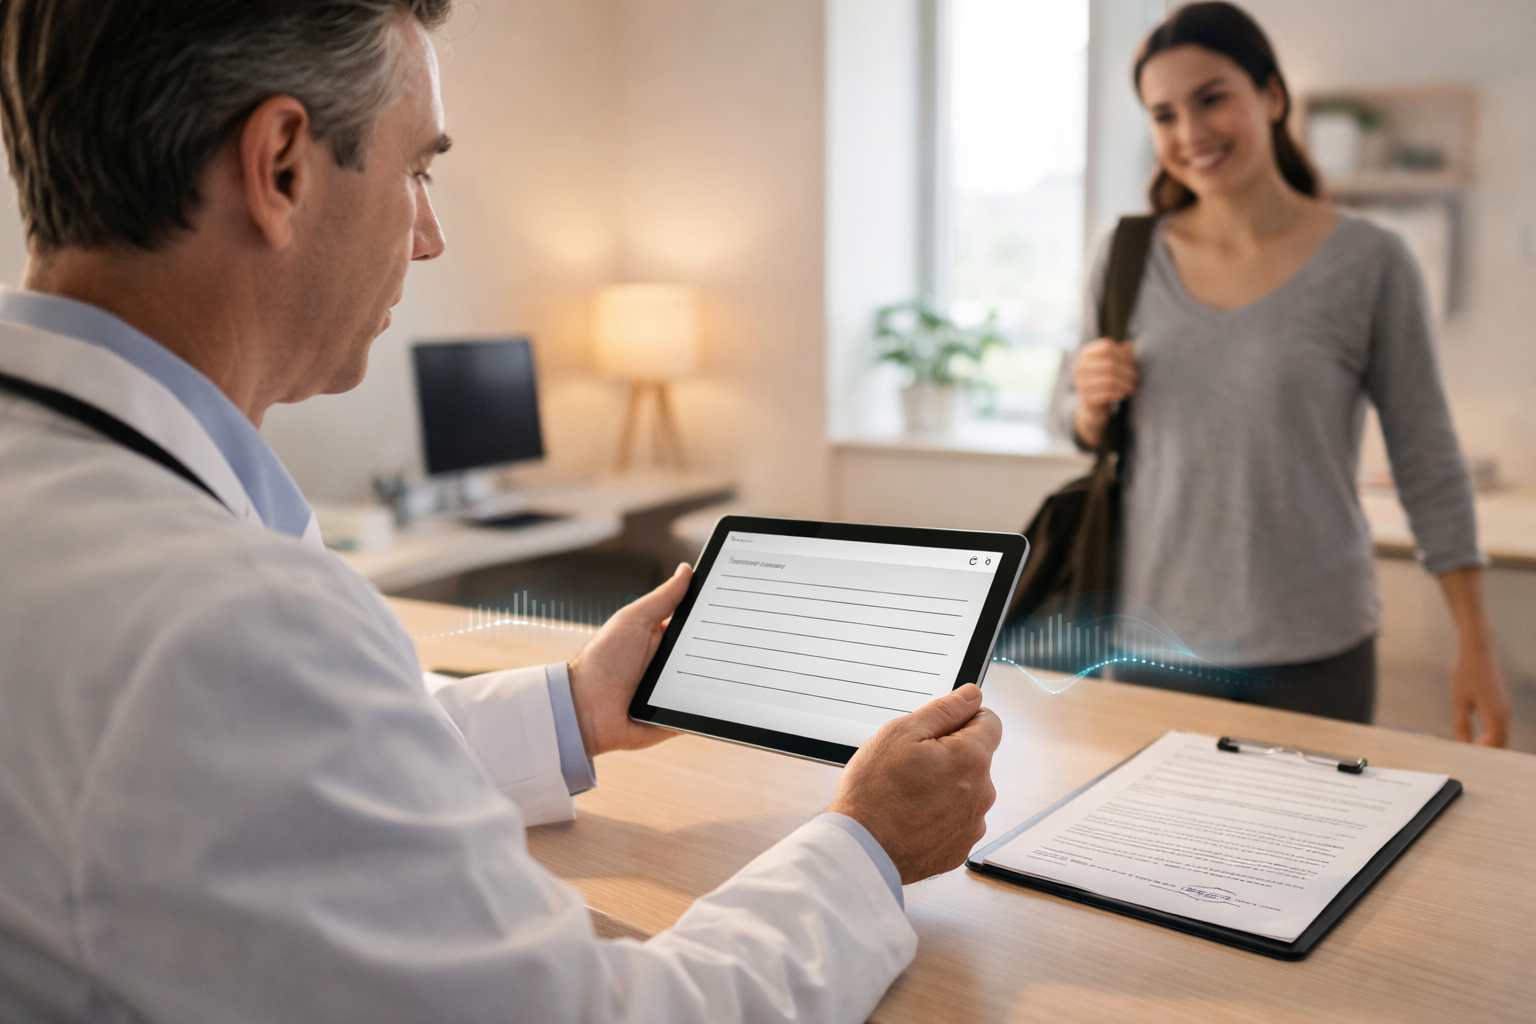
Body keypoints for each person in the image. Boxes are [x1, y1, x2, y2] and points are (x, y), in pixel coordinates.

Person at [0, 2, 1002, 1021]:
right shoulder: (224, 623)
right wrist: (865, 843)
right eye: (418, 170)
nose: (430, 237)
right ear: (282, 167)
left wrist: (572, 706)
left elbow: (286, 776)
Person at [1057, 2, 1510, 744]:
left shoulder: (1371, 263)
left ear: (1271, 95)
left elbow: (1427, 458)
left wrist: (1477, 642)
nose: (1191, 134)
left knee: (1308, 861)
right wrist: (1089, 402)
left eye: (1213, 98)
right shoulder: (1125, 255)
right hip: (1151, 642)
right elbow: (1070, 419)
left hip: (1315, 649)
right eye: (1163, 114)